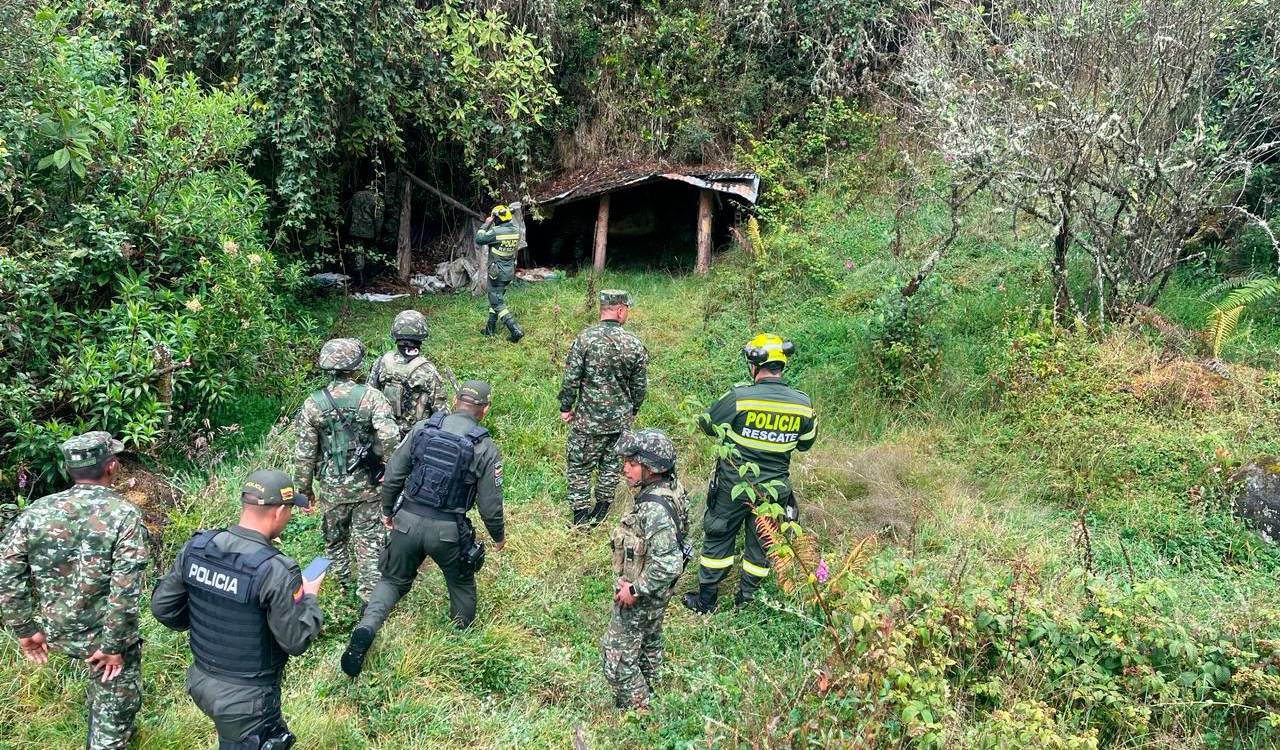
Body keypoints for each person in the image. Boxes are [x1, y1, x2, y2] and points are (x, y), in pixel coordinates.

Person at [340, 381, 506, 677]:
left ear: (456, 401)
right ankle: (460, 642)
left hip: (407, 520)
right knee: (461, 583)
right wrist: (498, 537)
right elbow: (490, 504)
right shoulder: (484, 446)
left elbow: (393, 475)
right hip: (448, 531)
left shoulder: (423, 429)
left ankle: (366, 628)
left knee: (391, 580)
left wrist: (389, 511)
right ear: (485, 410)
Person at [151, 470, 323, 750]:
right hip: (246, 702)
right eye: (290, 509)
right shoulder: (276, 570)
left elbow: (163, 609)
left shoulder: (198, 546)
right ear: (279, 511)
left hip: (201, 681)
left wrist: (208, 621)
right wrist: (310, 598)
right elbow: (296, 641)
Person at [0, 431, 147, 750]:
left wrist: (24, 628)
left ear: (70, 470)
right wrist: (114, 644)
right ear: (110, 466)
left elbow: (7, 567)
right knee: (114, 706)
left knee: (108, 699)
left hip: (56, 630)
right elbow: (125, 587)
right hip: (105, 639)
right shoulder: (123, 514)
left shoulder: (38, 511)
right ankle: (109, 736)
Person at [682, 334, 816, 613]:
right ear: (781, 365)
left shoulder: (739, 397)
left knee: (718, 535)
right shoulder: (803, 404)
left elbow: (707, 424)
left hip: (733, 485)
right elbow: (805, 444)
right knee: (761, 543)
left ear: (754, 365)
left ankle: (706, 601)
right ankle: (747, 600)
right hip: (775, 489)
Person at [294, 337, 399, 603]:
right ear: (356, 366)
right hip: (368, 487)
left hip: (332, 487)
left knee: (334, 540)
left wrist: (304, 491)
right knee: (370, 542)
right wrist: (388, 468)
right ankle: (369, 599)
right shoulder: (372, 397)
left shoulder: (313, 403)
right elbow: (389, 437)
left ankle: (341, 587)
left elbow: (305, 454)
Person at [601, 429, 690, 710]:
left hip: (643, 592)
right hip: (657, 593)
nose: (624, 469)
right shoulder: (671, 488)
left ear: (651, 468)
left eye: (632, 463)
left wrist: (634, 589)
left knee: (616, 658)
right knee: (649, 641)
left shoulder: (655, 508)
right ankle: (654, 690)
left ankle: (640, 712)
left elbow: (669, 562)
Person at [557, 289, 649, 528]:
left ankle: (580, 517)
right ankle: (601, 511)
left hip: (588, 421)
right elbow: (639, 388)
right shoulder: (634, 344)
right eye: (627, 309)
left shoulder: (584, 339)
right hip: (620, 422)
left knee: (579, 465)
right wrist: (632, 410)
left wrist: (566, 407)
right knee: (611, 464)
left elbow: (570, 379)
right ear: (620, 310)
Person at [368, 309, 448, 437]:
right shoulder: (428, 370)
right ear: (422, 335)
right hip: (415, 437)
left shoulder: (381, 362)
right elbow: (441, 412)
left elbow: (369, 398)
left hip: (384, 435)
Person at [474, 203, 525, 342]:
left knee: (496, 302)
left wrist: (486, 224)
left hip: (497, 273)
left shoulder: (497, 232)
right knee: (495, 298)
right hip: (508, 272)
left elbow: (479, 239)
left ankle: (515, 330)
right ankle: (490, 328)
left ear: (496, 219)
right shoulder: (516, 230)